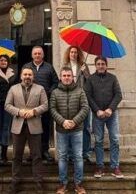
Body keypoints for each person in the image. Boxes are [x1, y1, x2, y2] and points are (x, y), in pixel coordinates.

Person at [5, 66, 48, 193]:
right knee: (16, 156)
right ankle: (15, 182)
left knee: (37, 156)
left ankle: (39, 183)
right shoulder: (13, 89)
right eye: (25, 74)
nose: (27, 77)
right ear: (21, 76)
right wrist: (19, 111)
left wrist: (34, 111)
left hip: (34, 126)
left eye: (30, 75)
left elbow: (45, 105)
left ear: (33, 76)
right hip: (18, 127)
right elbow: (7, 105)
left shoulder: (40, 89)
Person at [50, 66, 90, 194]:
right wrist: (63, 121)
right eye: (64, 76)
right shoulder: (55, 92)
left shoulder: (80, 91)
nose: (66, 78)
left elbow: (85, 108)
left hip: (77, 130)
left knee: (78, 156)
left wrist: (74, 121)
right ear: (60, 77)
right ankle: (63, 184)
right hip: (61, 130)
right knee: (62, 156)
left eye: (69, 75)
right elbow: (52, 109)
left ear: (72, 77)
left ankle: (78, 184)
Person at [84, 56, 123, 179]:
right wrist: (97, 110)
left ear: (106, 65)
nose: (101, 66)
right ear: (95, 66)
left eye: (103, 64)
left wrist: (110, 108)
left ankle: (115, 166)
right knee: (98, 141)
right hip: (98, 115)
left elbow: (118, 95)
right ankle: (100, 167)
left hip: (112, 114)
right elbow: (87, 96)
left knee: (115, 140)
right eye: (98, 64)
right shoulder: (90, 79)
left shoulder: (113, 78)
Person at [22, 45, 59, 161]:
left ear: (43, 55)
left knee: (45, 127)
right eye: (35, 53)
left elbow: (56, 82)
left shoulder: (49, 67)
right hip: (30, 103)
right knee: (31, 128)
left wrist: (49, 92)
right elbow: (21, 82)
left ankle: (45, 151)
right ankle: (33, 152)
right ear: (32, 55)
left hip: (45, 103)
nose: (37, 55)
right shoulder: (26, 67)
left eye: (39, 53)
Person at [63, 45, 92, 162]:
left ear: (78, 54)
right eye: (72, 52)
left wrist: (85, 72)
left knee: (86, 128)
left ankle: (85, 153)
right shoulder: (65, 66)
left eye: (75, 52)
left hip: (83, 101)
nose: (73, 54)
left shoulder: (83, 66)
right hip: (70, 101)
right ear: (68, 54)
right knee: (70, 127)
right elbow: (62, 81)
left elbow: (90, 82)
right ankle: (70, 153)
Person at [0, 54, 16, 165]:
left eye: (5, 60)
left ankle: (4, 154)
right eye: (1, 60)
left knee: (6, 128)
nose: (3, 62)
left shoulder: (13, 73)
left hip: (8, 104)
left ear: (8, 62)